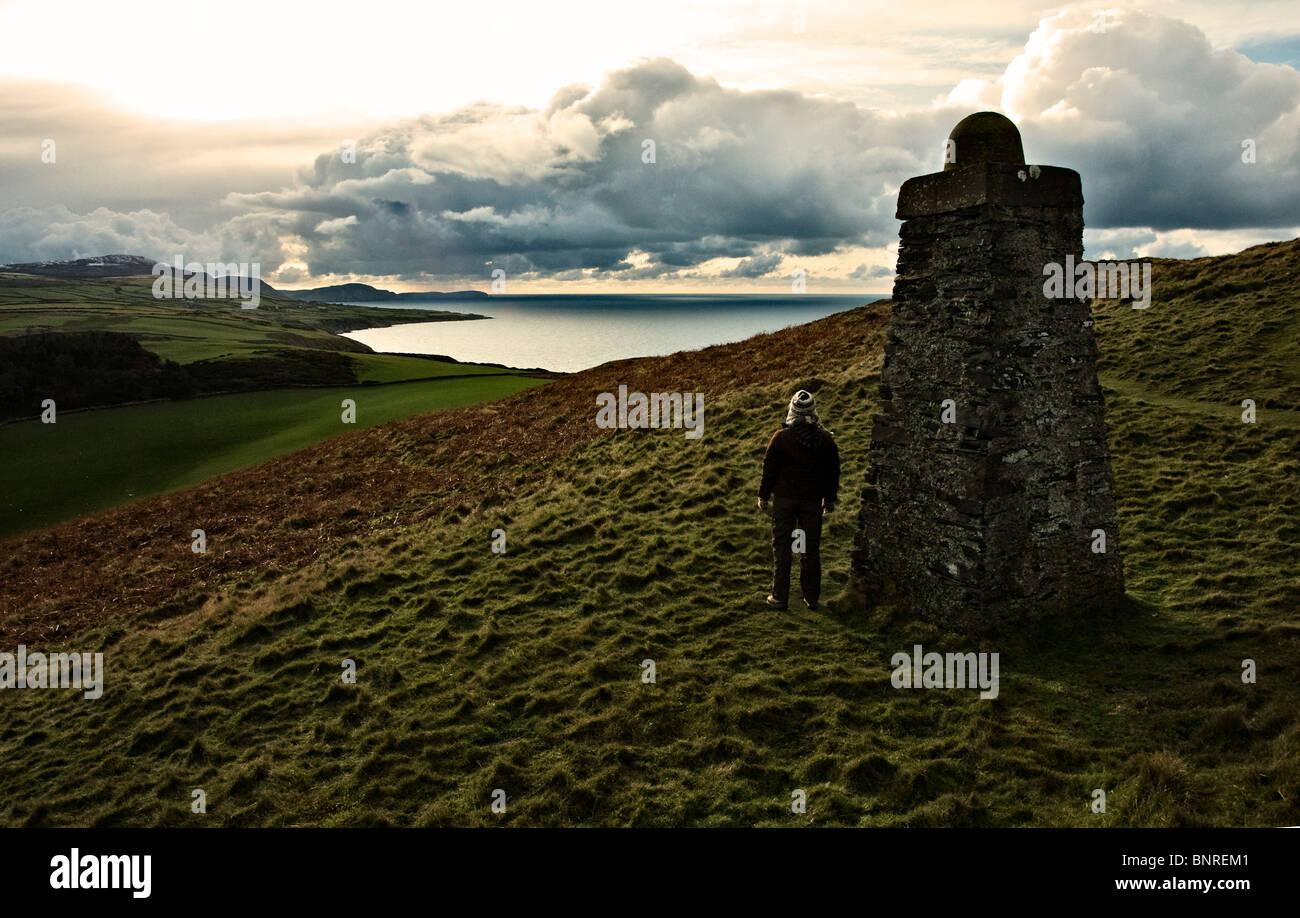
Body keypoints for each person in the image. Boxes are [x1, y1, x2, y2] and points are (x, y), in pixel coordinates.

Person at [757, 389, 840, 611]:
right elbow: (833, 473)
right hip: (811, 504)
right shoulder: (825, 441)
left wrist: (763, 496)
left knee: (783, 548)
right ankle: (811, 598)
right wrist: (829, 501)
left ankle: (779, 596)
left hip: (785, 503)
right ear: (813, 412)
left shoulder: (781, 438)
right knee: (809, 549)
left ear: (792, 411)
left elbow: (770, 469)